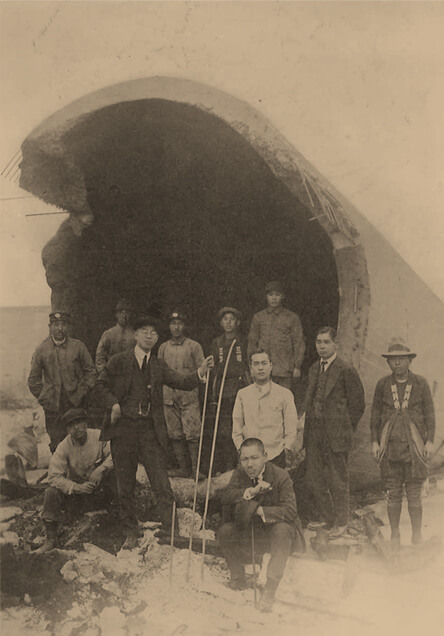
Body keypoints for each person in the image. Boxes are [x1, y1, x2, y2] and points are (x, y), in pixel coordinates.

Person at [94, 315, 214, 548]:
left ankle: (172, 533)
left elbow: (181, 381)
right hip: (124, 430)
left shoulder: (158, 365)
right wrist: (114, 404)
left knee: (162, 484)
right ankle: (130, 532)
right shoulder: (119, 361)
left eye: (154, 333)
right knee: (125, 485)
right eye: (144, 331)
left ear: (157, 338)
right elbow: (100, 385)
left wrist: (200, 372)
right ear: (136, 335)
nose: (149, 336)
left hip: (150, 430)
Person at [218, 438, 305, 613]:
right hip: (253, 533)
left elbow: (290, 511)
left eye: (254, 458)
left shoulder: (281, 476)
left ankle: (270, 588)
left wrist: (257, 510)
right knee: (225, 531)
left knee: (282, 530)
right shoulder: (239, 473)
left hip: (277, 535)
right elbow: (225, 497)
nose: (250, 464)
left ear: (265, 457)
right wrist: (251, 492)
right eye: (245, 459)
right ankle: (238, 578)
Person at [370, 338, 435, 547]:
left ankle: (417, 535)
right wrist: (374, 441)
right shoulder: (382, 384)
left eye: (401, 359)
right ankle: (395, 535)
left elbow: (429, 415)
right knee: (393, 494)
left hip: (414, 449)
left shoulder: (420, 383)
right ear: (388, 363)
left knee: (414, 495)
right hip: (390, 449)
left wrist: (430, 441)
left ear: (409, 361)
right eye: (393, 360)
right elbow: (375, 416)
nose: (397, 363)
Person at [303, 327, 365, 538]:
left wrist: (345, 427)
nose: (321, 346)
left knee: (338, 479)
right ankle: (327, 517)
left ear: (335, 344)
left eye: (326, 342)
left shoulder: (345, 369)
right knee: (314, 477)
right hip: (314, 432)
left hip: (336, 433)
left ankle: (341, 521)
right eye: (318, 342)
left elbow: (358, 405)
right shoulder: (313, 368)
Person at [36, 408, 114, 553]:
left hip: (102, 492)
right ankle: (51, 539)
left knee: (116, 476)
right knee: (51, 492)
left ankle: (124, 524)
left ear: (85, 423)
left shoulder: (99, 436)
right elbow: (53, 476)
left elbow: (116, 455)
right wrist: (76, 487)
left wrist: (102, 469)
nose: (76, 428)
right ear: (67, 429)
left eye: (79, 423)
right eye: (71, 425)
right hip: (78, 498)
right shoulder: (63, 446)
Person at [28, 311, 97, 453]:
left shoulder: (78, 347)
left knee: (80, 438)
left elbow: (91, 371)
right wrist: (44, 397)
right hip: (53, 406)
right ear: (50, 327)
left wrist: (84, 391)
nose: (60, 328)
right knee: (56, 441)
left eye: (63, 324)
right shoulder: (42, 349)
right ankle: (60, 472)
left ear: (68, 327)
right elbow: (33, 380)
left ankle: (80, 472)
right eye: (56, 324)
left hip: (76, 402)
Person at [158, 310, 205, 478]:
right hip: (169, 397)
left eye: (179, 324)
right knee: (174, 434)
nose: (176, 327)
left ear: (184, 326)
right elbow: (158, 373)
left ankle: (195, 469)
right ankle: (183, 468)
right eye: (173, 324)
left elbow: (203, 371)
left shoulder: (194, 346)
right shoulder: (163, 348)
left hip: (189, 397)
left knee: (192, 434)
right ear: (169, 326)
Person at [232, 350, 297, 468]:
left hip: (276, 455)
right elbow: (237, 426)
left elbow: (291, 427)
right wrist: (241, 449)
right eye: (256, 364)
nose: (260, 368)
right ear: (251, 368)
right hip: (250, 458)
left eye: (264, 363)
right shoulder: (243, 394)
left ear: (271, 366)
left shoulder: (284, 394)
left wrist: (286, 448)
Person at [209, 307, 250, 472]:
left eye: (231, 319)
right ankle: (226, 466)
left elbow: (247, 364)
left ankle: (241, 463)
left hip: (240, 388)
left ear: (237, 322)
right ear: (221, 323)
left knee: (241, 427)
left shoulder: (243, 341)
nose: (228, 322)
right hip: (223, 390)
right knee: (224, 429)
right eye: (225, 319)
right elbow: (214, 369)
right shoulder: (217, 343)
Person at [248, 281, 305, 390]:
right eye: (270, 295)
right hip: (263, 369)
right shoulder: (258, 317)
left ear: (282, 296)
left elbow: (298, 342)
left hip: (284, 369)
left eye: (277, 295)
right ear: (266, 297)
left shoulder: (292, 318)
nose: (274, 298)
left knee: (282, 401)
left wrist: (297, 366)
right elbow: (252, 343)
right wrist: (252, 366)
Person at [95, 299, 135, 373]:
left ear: (131, 314)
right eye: (121, 313)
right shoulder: (108, 334)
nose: (124, 316)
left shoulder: (135, 335)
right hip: (112, 375)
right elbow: (100, 357)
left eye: (127, 312)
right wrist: (104, 373)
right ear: (116, 315)